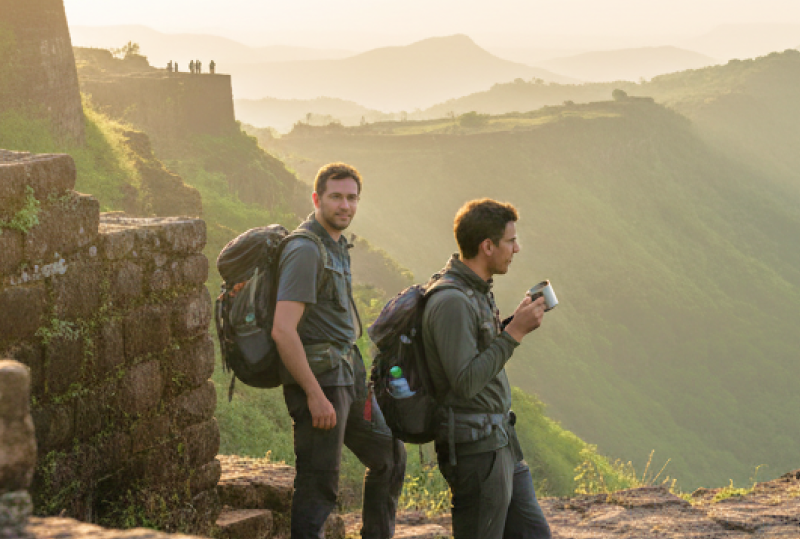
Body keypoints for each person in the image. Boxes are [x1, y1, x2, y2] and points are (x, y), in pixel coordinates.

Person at [272, 162, 406, 539]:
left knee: (390, 455)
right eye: (336, 197)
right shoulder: (305, 250)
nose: (344, 205)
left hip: (348, 376)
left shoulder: (336, 245)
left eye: (352, 198)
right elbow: (283, 330)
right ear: (317, 199)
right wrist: (314, 396)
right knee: (319, 485)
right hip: (321, 383)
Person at [422, 198, 552, 539]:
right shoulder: (451, 300)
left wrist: (512, 322)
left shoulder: (476, 291)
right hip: (476, 451)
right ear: (487, 246)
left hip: (500, 440)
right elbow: (464, 381)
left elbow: (478, 348)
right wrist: (514, 333)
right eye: (511, 241)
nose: (517, 248)